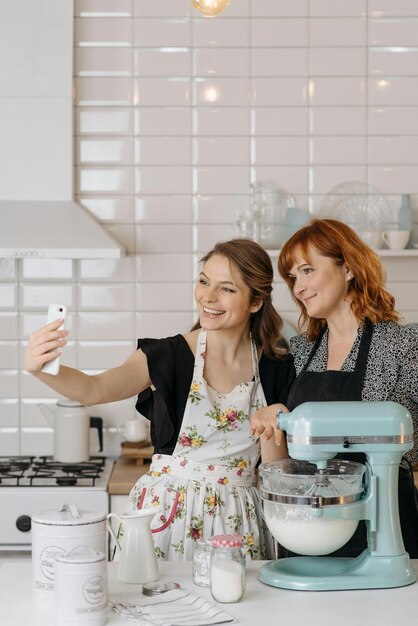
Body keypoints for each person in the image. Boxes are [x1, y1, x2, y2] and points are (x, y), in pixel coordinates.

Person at [25, 238, 295, 560]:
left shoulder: (276, 366)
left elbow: (276, 469)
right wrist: (41, 369)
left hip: (240, 523)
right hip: (168, 518)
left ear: (255, 302)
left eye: (227, 289)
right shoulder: (168, 356)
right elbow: (93, 389)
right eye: (204, 281)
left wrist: (275, 419)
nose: (207, 297)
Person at [250, 218, 418, 558]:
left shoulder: (404, 344)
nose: (298, 287)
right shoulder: (298, 353)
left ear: (348, 268)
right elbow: (282, 462)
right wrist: (270, 425)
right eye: (293, 277)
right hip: (308, 529)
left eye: (308, 270)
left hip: (386, 530)